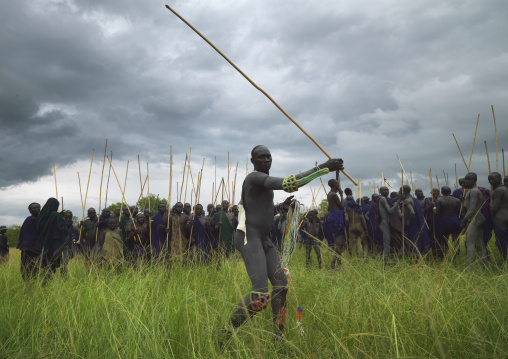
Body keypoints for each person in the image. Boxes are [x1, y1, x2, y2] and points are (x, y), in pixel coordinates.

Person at [219, 145, 342, 347]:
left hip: (263, 238)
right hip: (248, 237)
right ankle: (224, 336)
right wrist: (323, 168)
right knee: (259, 295)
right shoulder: (255, 178)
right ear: (253, 161)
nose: (266, 160)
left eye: (269, 156)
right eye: (261, 157)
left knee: (281, 287)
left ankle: (278, 336)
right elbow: (289, 183)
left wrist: (280, 208)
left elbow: (259, 211)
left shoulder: (263, 184)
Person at [36, 198, 70, 282]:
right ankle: (47, 283)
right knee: (51, 264)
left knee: (44, 264)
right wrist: (61, 218)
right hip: (53, 244)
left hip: (42, 243)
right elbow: (61, 230)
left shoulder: (41, 215)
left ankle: (43, 282)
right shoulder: (56, 215)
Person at [461, 173, 488, 269]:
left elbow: (472, 209)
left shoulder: (474, 191)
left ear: (474, 180)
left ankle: (469, 269)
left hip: (475, 218)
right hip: (476, 218)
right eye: (465, 179)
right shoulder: (472, 191)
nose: (466, 181)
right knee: (480, 243)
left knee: (470, 243)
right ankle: (483, 266)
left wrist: (464, 220)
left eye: (468, 179)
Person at [324, 179, 346, 269]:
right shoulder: (333, 195)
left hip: (332, 216)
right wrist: (341, 195)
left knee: (337, 241)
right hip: (337, 216)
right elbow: (341, 206)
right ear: (334, 185)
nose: (338, 184)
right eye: (337, 183)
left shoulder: (330, 194)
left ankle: (339, 263)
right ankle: (333, 264)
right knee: (339, 240)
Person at [435, 186, 462, 258]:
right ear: (450, 191)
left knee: (444, 241)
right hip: (455, 222)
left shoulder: (439, 200)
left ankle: (446, 257)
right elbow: (460, 212)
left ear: (442, 192)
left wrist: (434, 206)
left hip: (444, 222)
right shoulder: (457, 200)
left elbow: (436, 212)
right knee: (456, 241)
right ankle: (457, 256)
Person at [17, 203, 41, 280]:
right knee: (28, 268)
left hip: (39, 249)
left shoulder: (41, 219)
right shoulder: (29, 219)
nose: (37, 209)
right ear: (30, 210)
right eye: (34, 208)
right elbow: (27, 235)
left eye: (38, 207)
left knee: (38, 269)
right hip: (30, 250)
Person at [489, 172, 508, 262]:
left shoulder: (498, 190)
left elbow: (493, 208)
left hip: (501, 220)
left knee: (502, 243)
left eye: (493, 179)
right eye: (489, 179)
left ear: (500, 179)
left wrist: (490, 198)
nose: (491, 181)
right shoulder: (505, 189)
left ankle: (504, 261)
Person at [344, 193, 368, 257]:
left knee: (354, 243)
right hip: (359, 226)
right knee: (364, 242)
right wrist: (365, 229)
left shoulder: (347, 209)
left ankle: (357, 256)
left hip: (351, 227)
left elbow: (346, 219)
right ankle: (365, 256)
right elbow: (363, 219)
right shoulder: (358, 207)